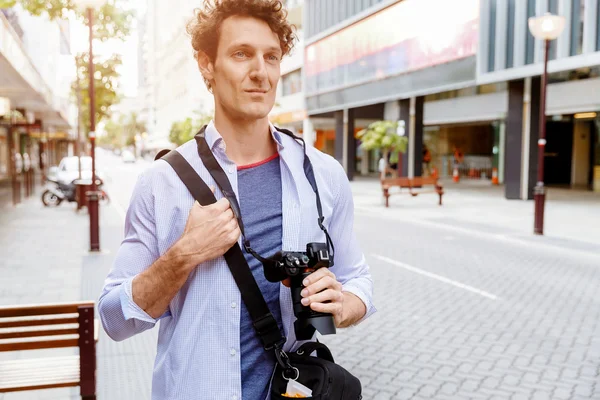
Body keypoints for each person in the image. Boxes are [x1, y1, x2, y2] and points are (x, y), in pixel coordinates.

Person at [98, 1, 375, 399]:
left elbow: (358, 280)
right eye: (241, 54)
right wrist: (184, 254)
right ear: (206, 65)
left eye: (272, 57)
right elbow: (114, 319)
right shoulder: (160, 183)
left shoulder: (322, 174)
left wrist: (343, 305)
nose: (260, 72)